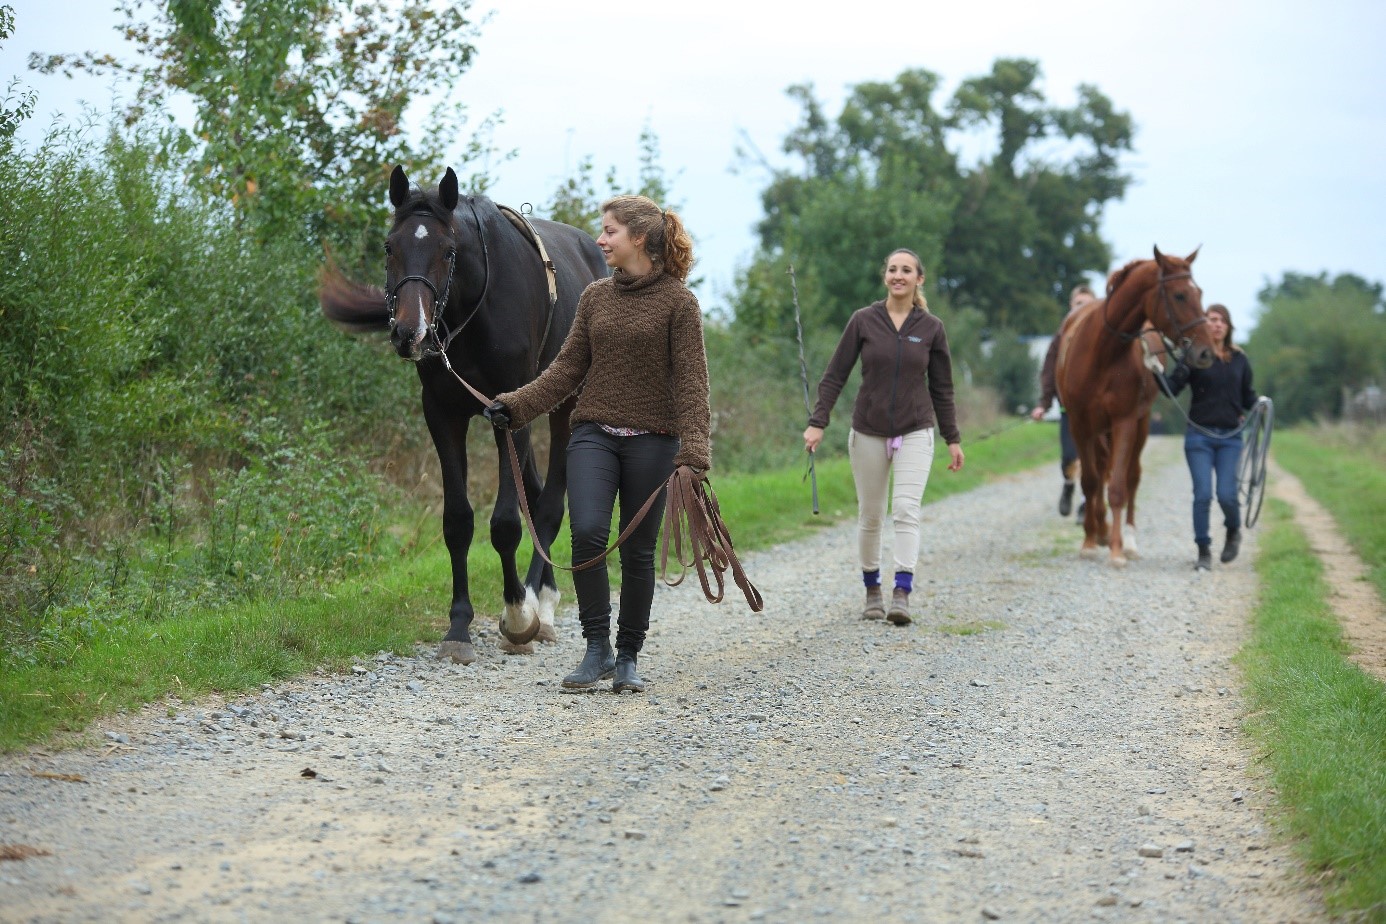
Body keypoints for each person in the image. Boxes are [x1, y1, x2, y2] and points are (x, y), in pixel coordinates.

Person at [484, 195, 710, 693]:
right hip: (594, 433)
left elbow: (692, 383)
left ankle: (628, 655)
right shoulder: (594, 298)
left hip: (654, 439)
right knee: (586, 534)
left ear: (640, 239)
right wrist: (515, 405)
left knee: (637, 552)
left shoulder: (679, 303)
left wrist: (694, 454)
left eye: (609, 232)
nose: (601, 240)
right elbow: (566, 370)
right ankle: (596, 650)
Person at [803, 249, 964, 626]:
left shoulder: (931, 328)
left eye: (906, 270)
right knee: (872, 514)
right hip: (868, 431)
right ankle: (872, 589)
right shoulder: (863, 321)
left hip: (915, 429)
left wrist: (952, 438)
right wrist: (818, 421)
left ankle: (902, 593)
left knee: (906, 510)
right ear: (885, 276)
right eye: (893, 269)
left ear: (918, 279)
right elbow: (835, 375)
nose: (898, 275)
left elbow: (943, 389)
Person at [1163, 303, 1257, 571]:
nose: (1216, 324)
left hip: (1230, 437)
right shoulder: (1195, 356)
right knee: (1203, 494)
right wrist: (1155, 371)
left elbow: (1247, 395)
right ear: (1204, 325)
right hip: (1198, 438)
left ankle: (1233, 530)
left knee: (1227, 495)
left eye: (1221, 320)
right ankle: (1203, 550)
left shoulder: (1240, 359)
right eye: (1211, 320)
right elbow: (1172, 388)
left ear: (1228, 327)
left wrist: (1260, 402)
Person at [1031, 284, 1097, 517]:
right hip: (1070, 410)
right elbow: (1049, 370)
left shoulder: (1101, 340)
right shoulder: (1063, 336)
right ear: (1071, 306)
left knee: (1092, 460)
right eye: (1079, 304)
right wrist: (1043, 404)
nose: (1083, 309)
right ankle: (1069, 486)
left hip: (1096, 412)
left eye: (1088, 305)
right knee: (1069, 457)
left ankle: (1085, 504)